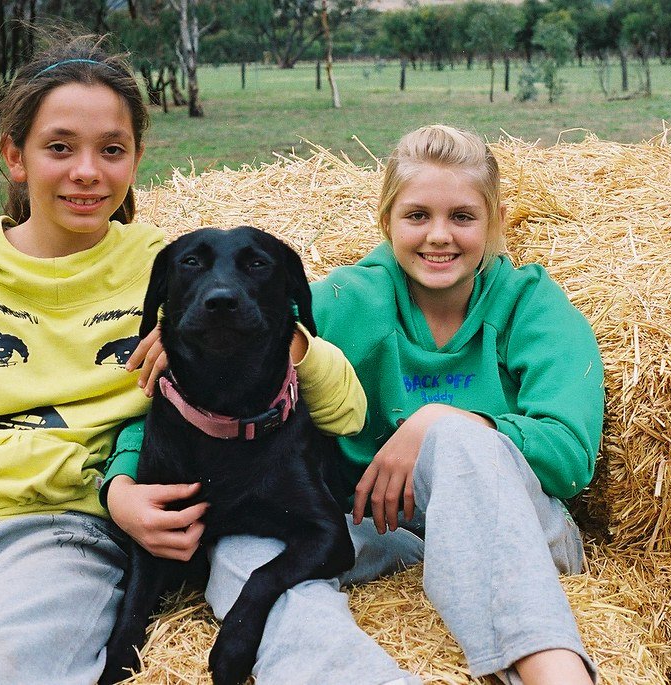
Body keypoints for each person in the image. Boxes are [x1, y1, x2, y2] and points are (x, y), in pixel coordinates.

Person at [0, 33, 364, 685]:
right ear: (15, 156)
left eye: (111, 150)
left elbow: (342, 407)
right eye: (59, 147)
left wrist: (267, 332)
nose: (87, 171)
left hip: (65, 528)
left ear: (135, 159)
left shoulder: (175, 274)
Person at [105, 125, 604, 685]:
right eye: (417, 215)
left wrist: (440, 420)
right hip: (377, 534)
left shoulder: (532, 306)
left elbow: (570, 455)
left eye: (463, 217)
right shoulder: (339, 301)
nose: (439, 235)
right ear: (386, 221)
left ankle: (555, 674)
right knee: (242, 551)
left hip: (516, 535)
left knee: (456, 439)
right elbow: (181, 401)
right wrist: (123, 485)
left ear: (496, 222)